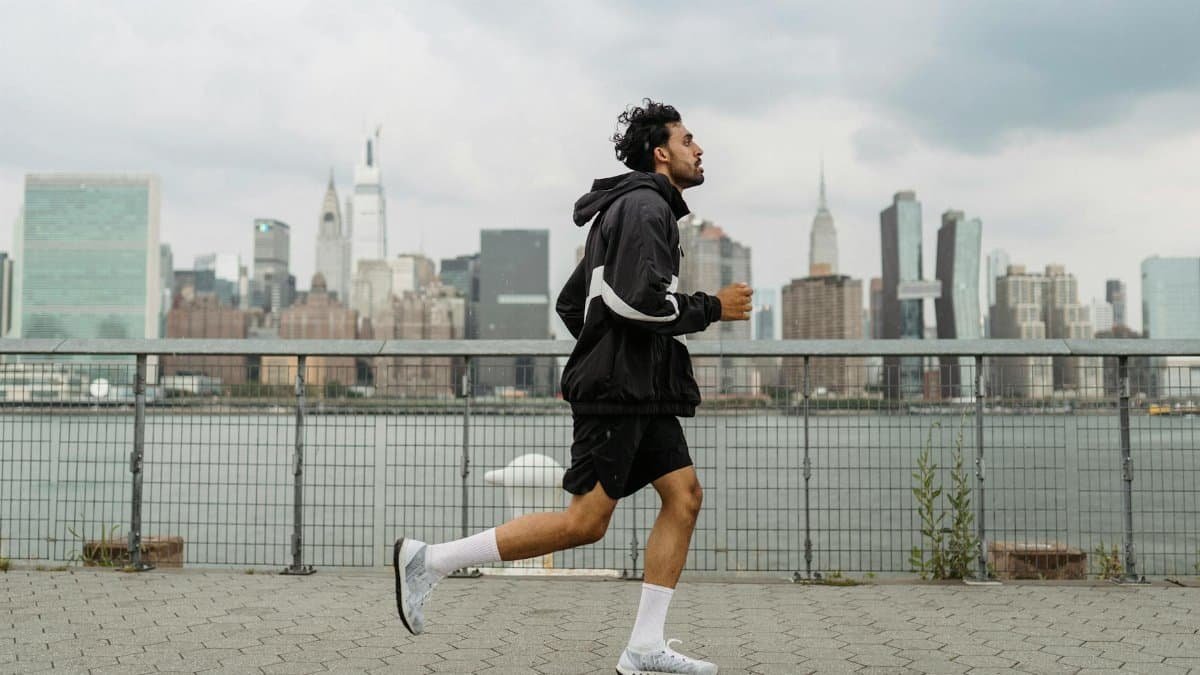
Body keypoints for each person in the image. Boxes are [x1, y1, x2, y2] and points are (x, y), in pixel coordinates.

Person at [394, 99, 753, 675]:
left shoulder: (633, 209)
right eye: (689, 140)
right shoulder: (644, 208)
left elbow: (573, 302)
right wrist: (713, 308)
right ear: (660, 153)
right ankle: (429, 561)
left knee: (683, 497)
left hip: (640, 388)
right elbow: (638, 301)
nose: (700, 148)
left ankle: (643, 649)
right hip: (619, 390)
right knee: (585, 521)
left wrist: (606, 348)